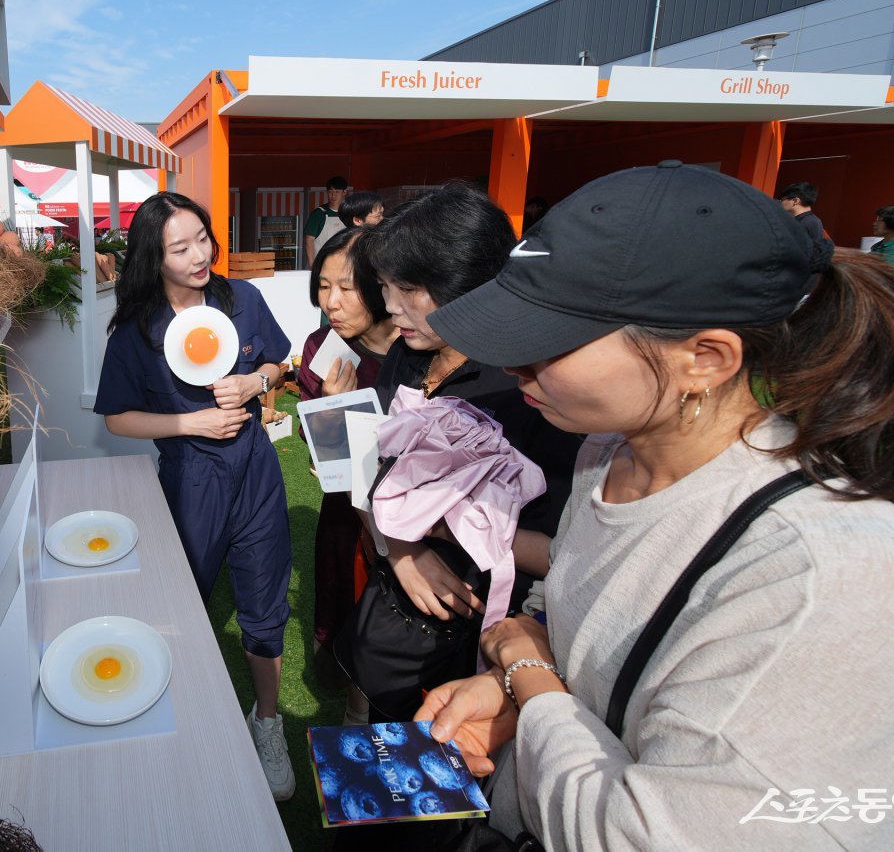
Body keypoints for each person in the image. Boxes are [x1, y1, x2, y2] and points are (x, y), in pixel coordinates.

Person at [420, 160, 894, 849]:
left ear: (705, 358)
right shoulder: (608, 452)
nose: (512, 364)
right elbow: (601, 613)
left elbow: (641, 836)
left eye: (544, 341)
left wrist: (529, 675)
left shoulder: (838, 582)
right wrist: (513, 686)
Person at [334, 183, 581, 724]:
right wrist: (400, 547)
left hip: (488, 646)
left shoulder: (532, 389)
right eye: (383, 286)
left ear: (469, 283)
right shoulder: (407, 352)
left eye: (407, 289)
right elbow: (373, 473)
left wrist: (443, 529)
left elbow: (567, 554)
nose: (392, 308)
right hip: (392, 615)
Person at [94, 191, 297, 801]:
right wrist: (190, 425)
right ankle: (177, 720)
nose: (199, 255)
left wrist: (258, 380)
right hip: (189, 480)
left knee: (265, 604)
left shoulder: (244, 299)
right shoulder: (136, 329)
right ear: (153, 259)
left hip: (256, 470)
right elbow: (117, 419)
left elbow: (282, 363)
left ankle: (267, 723)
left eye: (203, 238)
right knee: (180, 606)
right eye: (179, 248)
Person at [296, 228, 397, 720]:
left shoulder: (418, 344)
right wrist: (333, 409)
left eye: (347, 287)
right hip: (352, 515)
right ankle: (355, 709)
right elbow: (322, 457)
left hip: (422, 520)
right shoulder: (323, 347)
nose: (331, 302)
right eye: (323, 286)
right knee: (351, 600)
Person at [777, 181, 834, 271]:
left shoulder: (808, 223)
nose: (780, 203)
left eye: (782, 199)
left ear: (795, 201)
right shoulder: (808, 220)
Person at [304, 176, 348, 265]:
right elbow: (309, 240)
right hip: (321, 264)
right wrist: (312, 266)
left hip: (343, 265)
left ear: (344, 192)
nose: (333, 195)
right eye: (330, 192)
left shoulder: (349, 213)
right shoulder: (319, 214)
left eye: (337, 192)